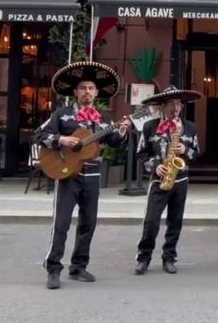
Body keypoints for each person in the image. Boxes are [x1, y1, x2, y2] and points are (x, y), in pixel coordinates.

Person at [34, 61, 131, 289]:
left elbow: (115, 143)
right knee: (62, 223)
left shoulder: (104, 119)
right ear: (76, 92)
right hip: (68, 174)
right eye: (83, 88)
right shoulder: (63, 114)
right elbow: (39, 134)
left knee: (88, 223)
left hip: (93, 175)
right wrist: (62, 140)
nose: (87, 92)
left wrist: (123, 132)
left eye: (91, 88)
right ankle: (53, 268)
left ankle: (78, 266)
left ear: (96, 93)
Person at [134, 86, 202, 275]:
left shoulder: (190, 127)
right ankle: (143, 257)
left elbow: (196, 153)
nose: (176, 107)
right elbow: (141, 154)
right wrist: (155, 165)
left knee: (175, 221)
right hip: (158, 180)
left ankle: (169, 257)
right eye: (171, 103)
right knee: (151, 221)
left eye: (178, 103)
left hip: (180, 180)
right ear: (162, 106)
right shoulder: (150, 127)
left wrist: (185, 150)